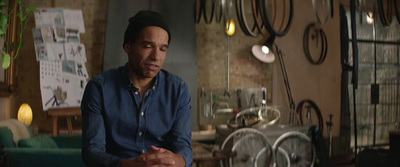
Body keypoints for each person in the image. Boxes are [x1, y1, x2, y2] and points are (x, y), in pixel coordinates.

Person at [81, 10, 192, 167]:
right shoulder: (99, 88)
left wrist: (178, 161)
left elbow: (183, 147)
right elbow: (92, 151)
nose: (156, 56)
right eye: (148, 46)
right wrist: (128, 165)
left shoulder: (178, 90)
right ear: (128, 46)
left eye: (163, 49)